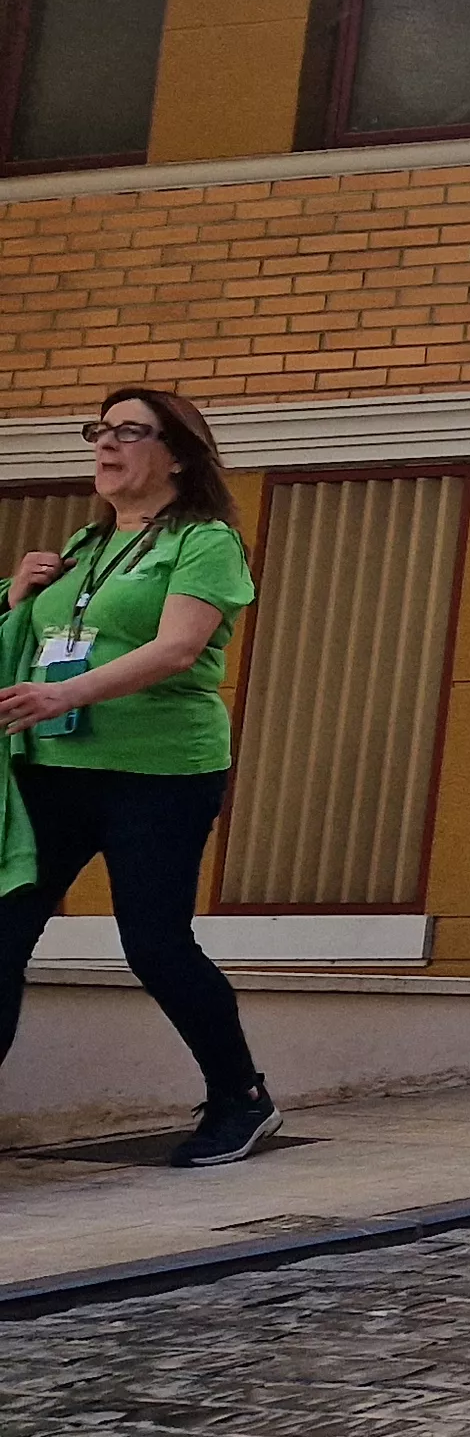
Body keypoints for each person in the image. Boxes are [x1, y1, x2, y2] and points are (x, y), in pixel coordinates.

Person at [0, 389, 275, 1168]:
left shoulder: (204, 541)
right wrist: (18, 592)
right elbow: (29, 639)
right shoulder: (81, 548)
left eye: (129, 431)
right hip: (53, 768)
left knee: (153, 943)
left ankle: (241, 1098)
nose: (105, 445)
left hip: (159, 773)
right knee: (1, 936)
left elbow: (178, 649)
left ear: (177, 455)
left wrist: (66, 692)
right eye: (99, 430)